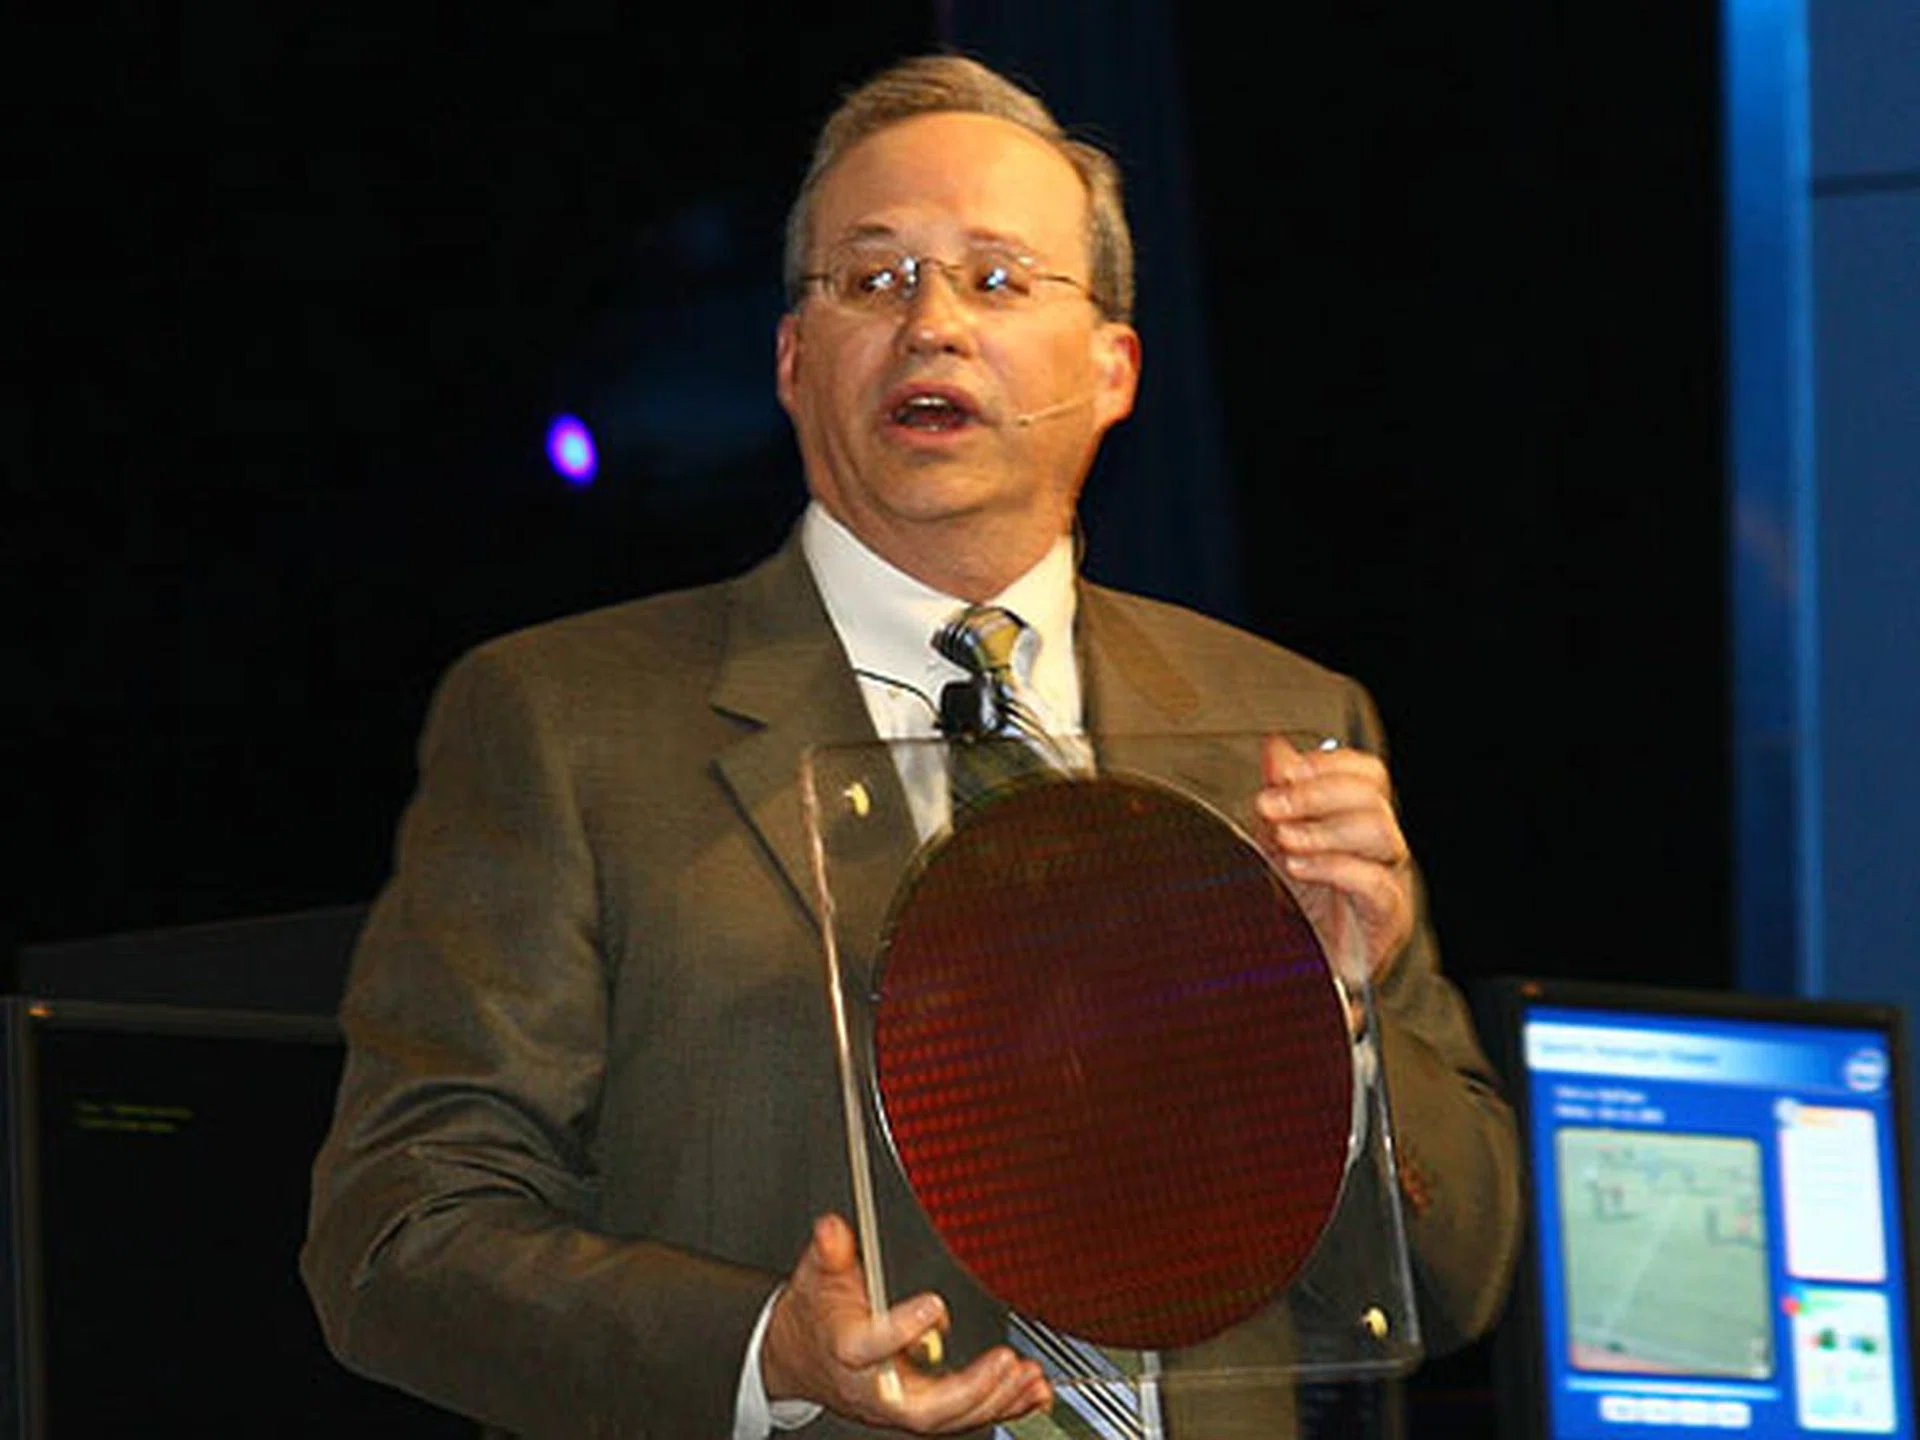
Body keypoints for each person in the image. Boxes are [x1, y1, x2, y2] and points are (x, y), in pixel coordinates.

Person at [302, 54, 1521, 1439]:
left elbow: (1460, 1275)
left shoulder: (1280, 728)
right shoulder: (567, 722)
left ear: (1114, 366)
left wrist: (1342, 1024)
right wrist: (762, 1351)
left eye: (998, 280)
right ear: (791, 358)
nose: (931, 322)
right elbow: (397, 1238)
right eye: (871, 280)